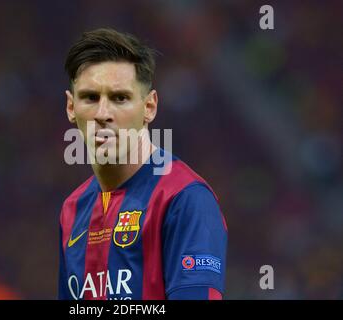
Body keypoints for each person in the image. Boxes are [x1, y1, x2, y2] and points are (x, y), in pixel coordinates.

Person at [58, 28, 227, 300]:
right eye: (90, 97)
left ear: (149, 107)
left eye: (119, 98)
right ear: (70, 107)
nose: (103, 114)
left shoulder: (184, 198)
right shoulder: (72, 209)